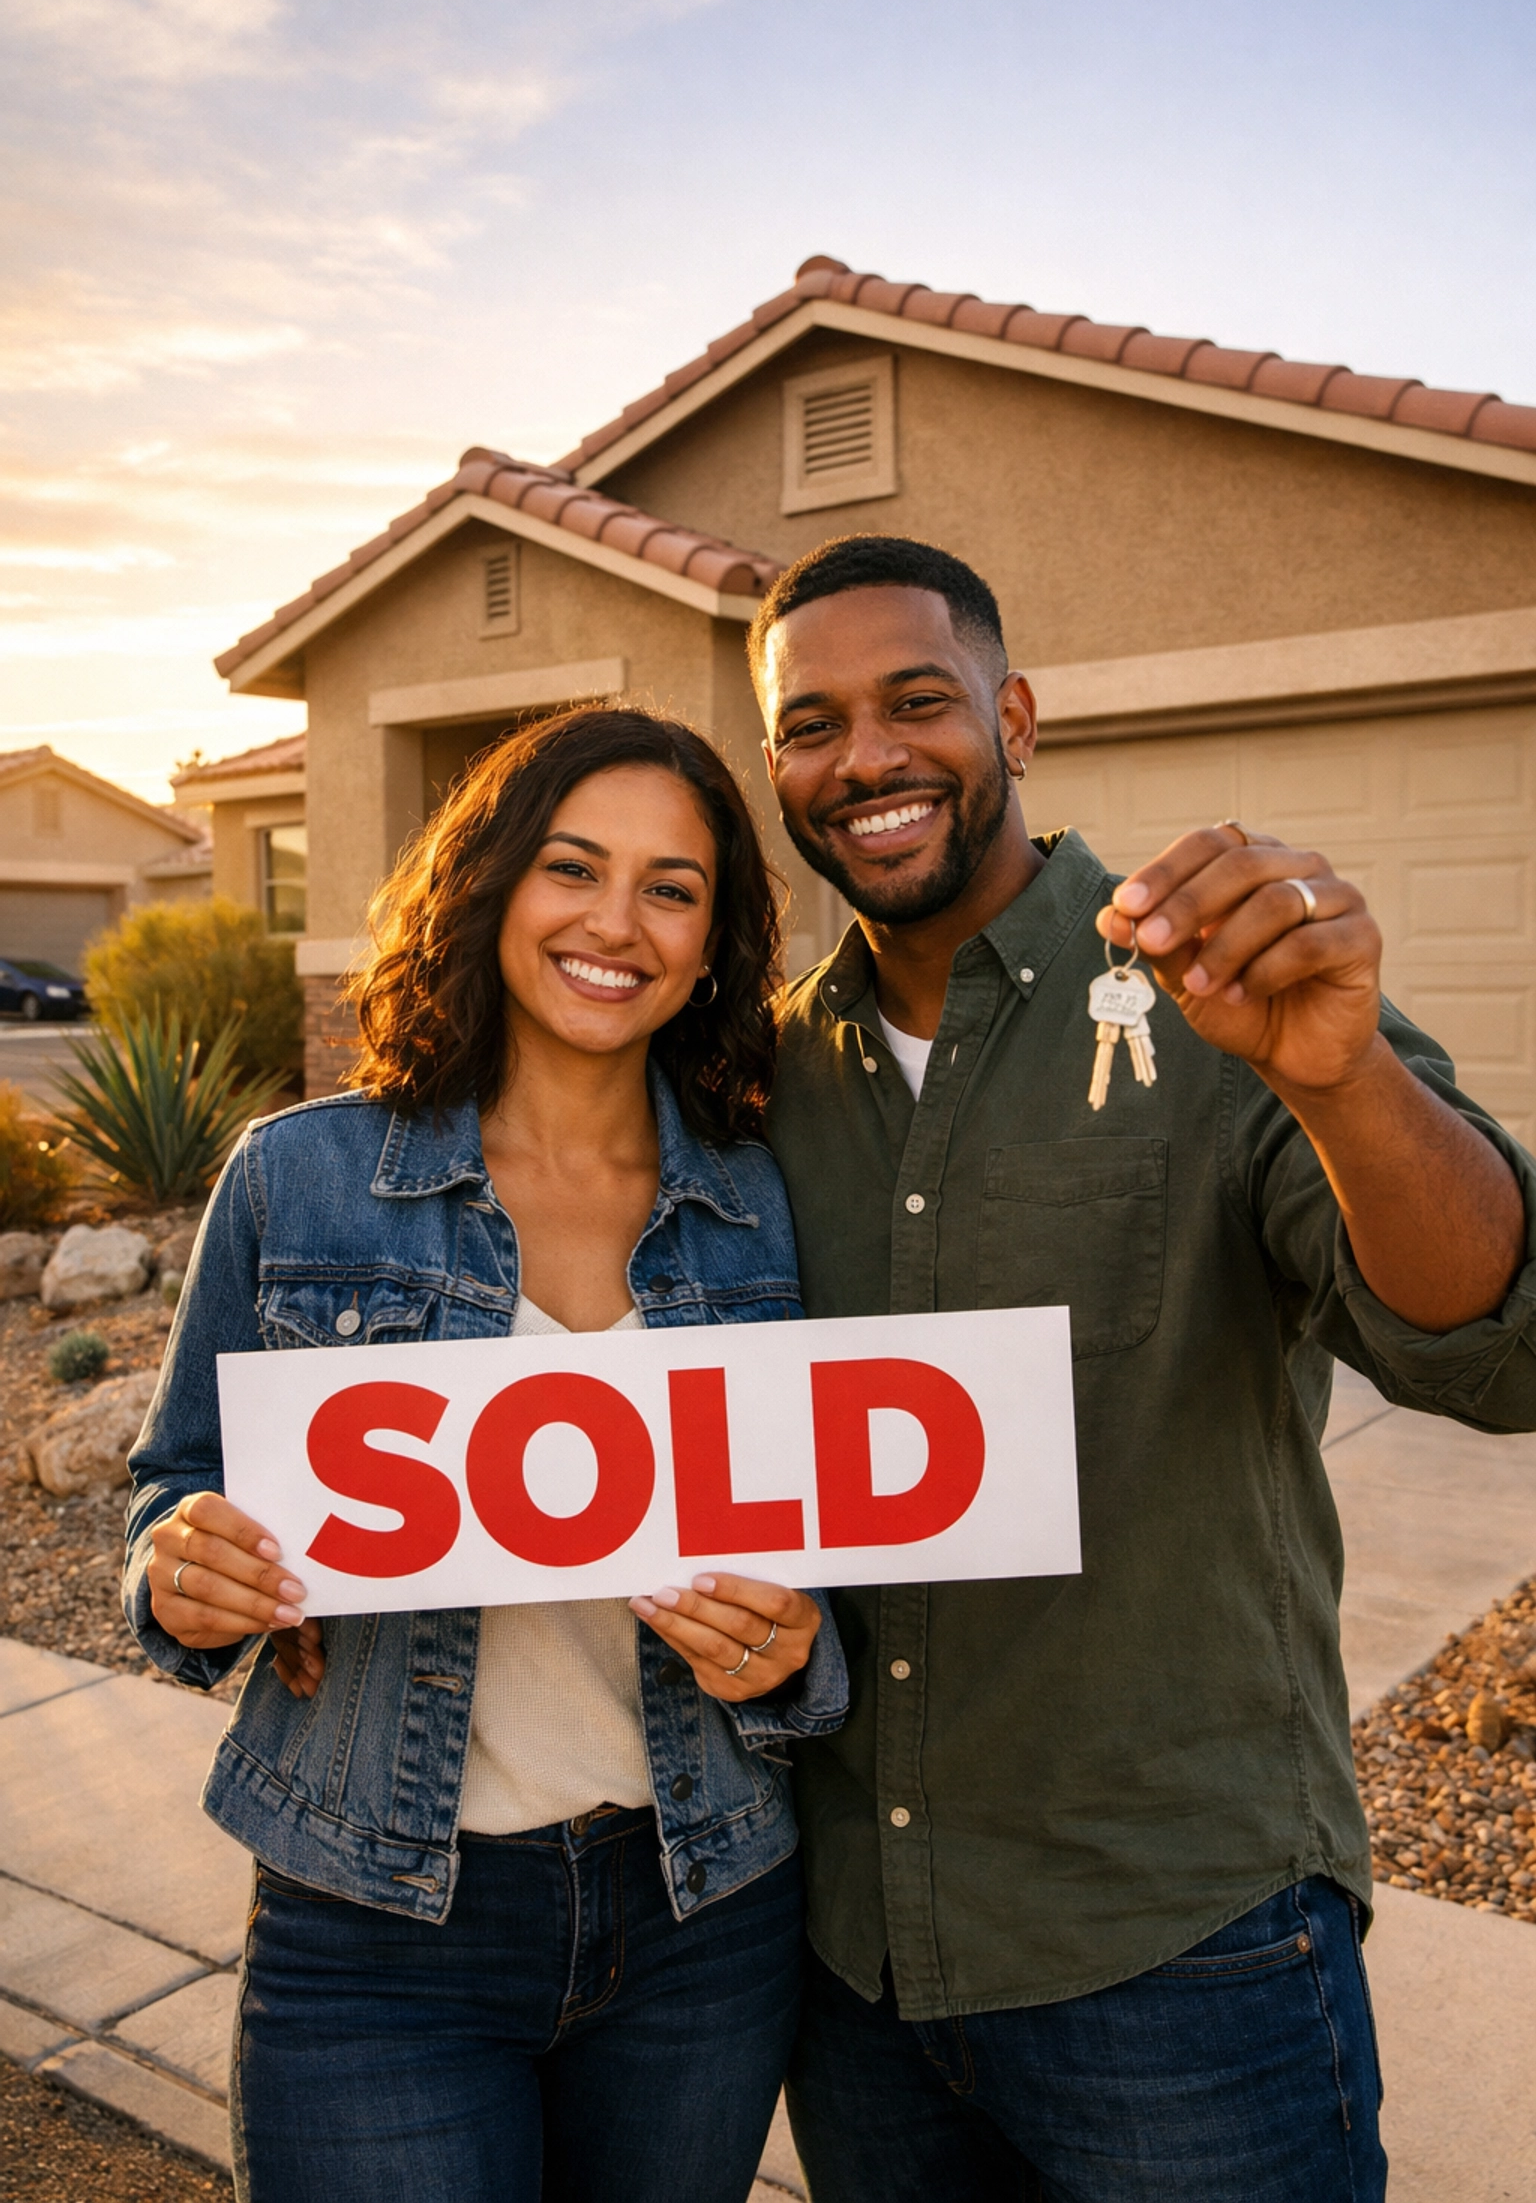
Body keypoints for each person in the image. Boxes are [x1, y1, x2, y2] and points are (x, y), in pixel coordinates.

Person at [749, 533, 1536, 2203]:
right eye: (813, 725)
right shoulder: (762, 1075)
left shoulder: (1217, 988)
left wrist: (1340, 1088)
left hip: (1182, 1951)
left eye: (916, 702)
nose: (867, 756)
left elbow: (1493, 1350)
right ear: (778, 771)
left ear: (1014, 718)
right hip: (856, 1963)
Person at [121, 706, 847, 2203]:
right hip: (377, 1919)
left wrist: (795, 1655)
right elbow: (172, 1485)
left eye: (672, 887)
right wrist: (179, 1567)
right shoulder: (301, 1178)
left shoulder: (768, 1208)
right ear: (494, 886)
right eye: (572, 868)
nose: (615, 922)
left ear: (713, 942)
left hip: (702, 1916)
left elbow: (843, 1564)